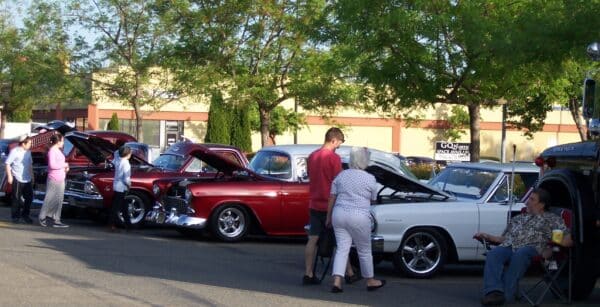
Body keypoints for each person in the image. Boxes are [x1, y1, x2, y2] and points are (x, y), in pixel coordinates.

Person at [474, 188, 573, 305]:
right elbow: (504, 239)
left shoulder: (553, 220)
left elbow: (569, 242)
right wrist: (487, 236)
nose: (527, 202)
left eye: (531, 199)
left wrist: (555, 239)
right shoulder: (518, 218)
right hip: (511, 246)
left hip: (535, 248)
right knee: (494, 254)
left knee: (521, 252)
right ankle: (493, 292)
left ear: (541, 204)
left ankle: (503, 296)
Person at [326, 147, 386, 293]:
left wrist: (328, 217)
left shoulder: (341, 175)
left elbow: (332, 197)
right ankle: (371, 281)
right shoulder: (370, 178)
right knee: (364, 250)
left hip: (339, 215)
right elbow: (373, 200)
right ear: (365, 161)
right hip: (359, 216)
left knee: (342, 249)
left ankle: (337, 281)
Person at [303, 127, 358, 285]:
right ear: (333, 140)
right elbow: (340, 180)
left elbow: (310, 175)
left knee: (312, 239)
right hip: (331, 204)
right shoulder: (334, 158)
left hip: (314, 202)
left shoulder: (312, 156)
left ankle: (308, 273)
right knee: (342, 241)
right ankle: (348, 273)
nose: (338, 147)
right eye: (338, 143)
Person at [38, 134, 70, 228]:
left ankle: (56, 220)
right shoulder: (52, 151)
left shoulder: (58, 151)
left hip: (61, 178)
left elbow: (59, 163)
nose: (63, 143)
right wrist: (64, 165)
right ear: (58, 141)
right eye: (63, 141)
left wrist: (66, 168)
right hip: (53, 178)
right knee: (49, 198)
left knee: (59, 200)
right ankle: (42, 217)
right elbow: (52, 165)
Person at [5, 135, 34, 224]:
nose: (31, 145)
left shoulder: (28, 152)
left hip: (27, 178)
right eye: (29, 143)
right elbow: (7, 163)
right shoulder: (15, 151)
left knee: (29, 198)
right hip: (17, 178)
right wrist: (10, 176)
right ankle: (15, 216)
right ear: (23, 144)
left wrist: (32, 175)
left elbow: (30, 164)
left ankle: (25, 215)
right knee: (16, 198)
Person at [110, 145, 132, 231]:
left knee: (122, 206)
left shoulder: (118, 160)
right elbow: (126, 178)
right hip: (122, 187)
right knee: (118, 207)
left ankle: (128, 224)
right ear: (128, 154)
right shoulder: (126, 164)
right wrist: (129, 185)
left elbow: (115, 153)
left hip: (116, 185)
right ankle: (113, 223)